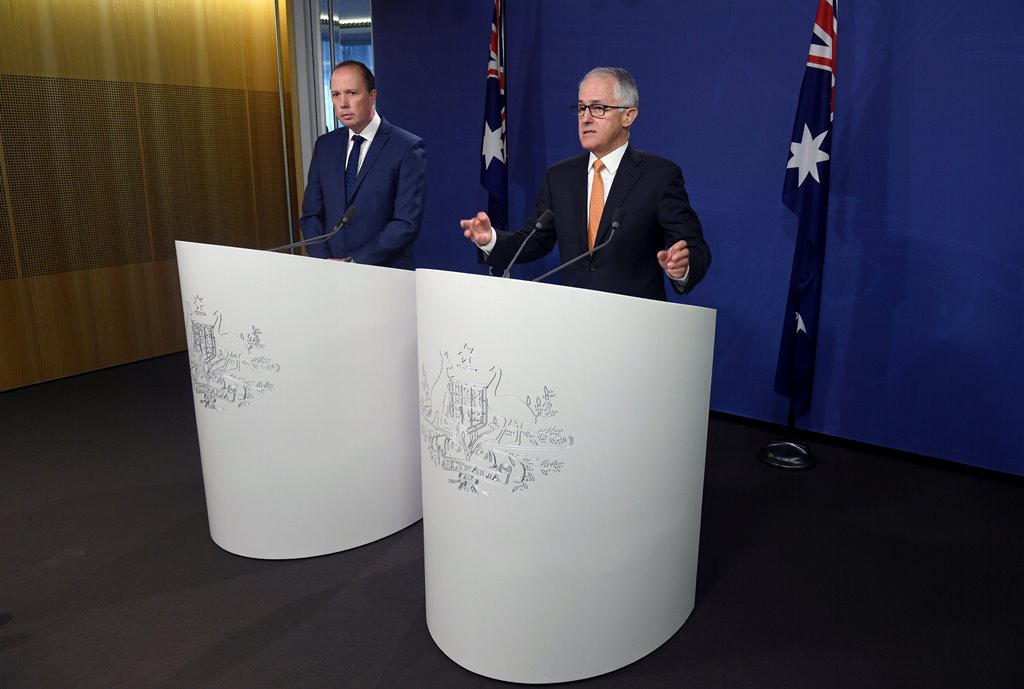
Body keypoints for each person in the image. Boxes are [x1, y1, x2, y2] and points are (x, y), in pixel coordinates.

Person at [461, 67, 709, 300]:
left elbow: (695, 247)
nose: (586, 118)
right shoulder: (559, 176)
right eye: (581, 108)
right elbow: (534, 241)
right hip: (574, 321)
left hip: (635, 326)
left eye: (598, 108)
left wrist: (682, 267)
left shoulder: (659, 176)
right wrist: (490, 239)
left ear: (628, 116)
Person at [300, 60, 426, 268]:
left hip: (385, 274)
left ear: (372, 96)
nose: (343, 104)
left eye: (351, 93)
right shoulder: (324, 146)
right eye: (336, 94)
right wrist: (325, 263)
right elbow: (312, 215)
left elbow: (406, 224)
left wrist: (355, 262)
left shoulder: (406, 147)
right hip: (331, 274)